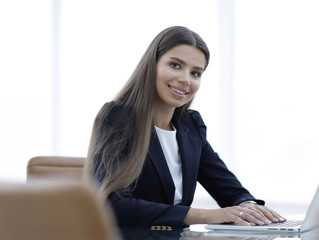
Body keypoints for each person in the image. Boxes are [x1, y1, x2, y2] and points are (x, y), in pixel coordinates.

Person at [83, 26, 285, 228]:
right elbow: (113, 206)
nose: (185, 79)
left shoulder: (191, 126)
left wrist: (249, 207)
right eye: (175, 65)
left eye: (196, 73)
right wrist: (204, 216)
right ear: (152, 65)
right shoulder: (118, 118)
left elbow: (229, 189)